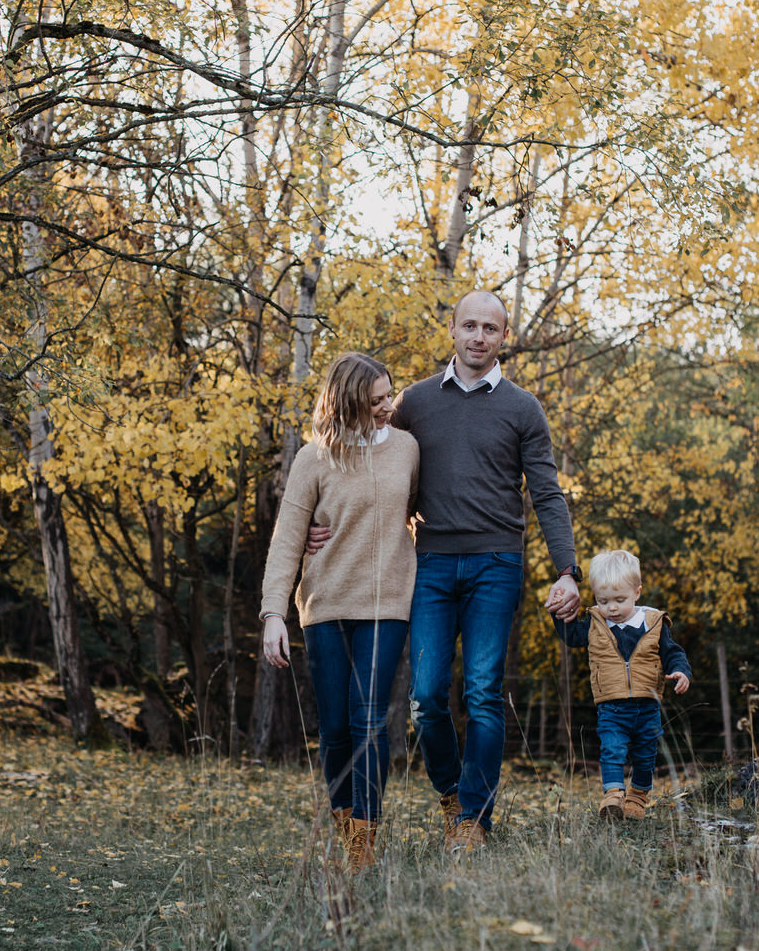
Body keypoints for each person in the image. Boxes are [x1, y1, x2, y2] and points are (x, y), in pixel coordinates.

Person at [311, 291, 582, 851]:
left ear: (503, 337)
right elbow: (367, 466)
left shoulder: (523, 407)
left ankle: (473, 821)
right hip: (428, 562)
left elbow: (548, 495)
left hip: (496, 564)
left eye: (490, 328)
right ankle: (451, 795)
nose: (478, 337)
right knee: (426, 699)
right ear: (453, 330)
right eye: (469, 326)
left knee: (483, 691)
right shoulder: (414, 403)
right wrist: (323, 518)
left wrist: (568, 570)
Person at [260, 352, 420, 872]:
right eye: (375, 400)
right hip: (325, 604)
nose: (387, 407)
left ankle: (364, 843)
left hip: (385, 603)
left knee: (370, 719)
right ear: (348, 401)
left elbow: (419, 509)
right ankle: (344, 821)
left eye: (389, 395)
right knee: (334, 727)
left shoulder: (407, 449)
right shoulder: (313, 458)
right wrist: (272, 615)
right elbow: (287, 540)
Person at [550, 549, 691, 820]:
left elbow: (673, 652)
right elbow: (571, 636)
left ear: (637, 592)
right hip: (611, 706)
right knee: (611, 749)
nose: (611, 608)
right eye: (603, 601)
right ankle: (613, 796)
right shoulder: (595, 623)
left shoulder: (654, 623)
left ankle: (638, 797)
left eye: (619, 600)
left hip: (647, 705)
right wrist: (559, 612)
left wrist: (680, 672)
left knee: (646, 754)